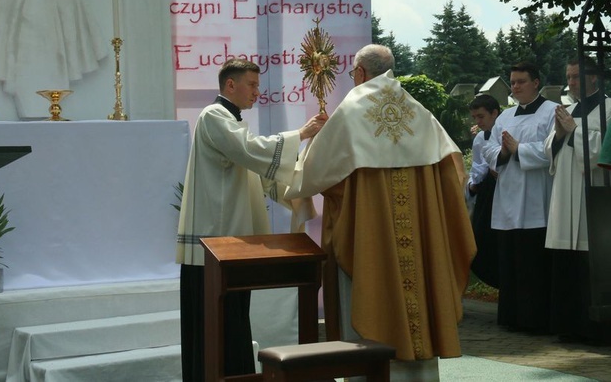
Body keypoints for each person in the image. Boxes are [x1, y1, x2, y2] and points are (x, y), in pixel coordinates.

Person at [285, 44, 475, 381]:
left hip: (369, 234)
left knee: (373, 285)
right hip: (418, 238)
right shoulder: (419, 112)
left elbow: (318, 176)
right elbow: (453, 168)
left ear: (359, 73)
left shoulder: (351, 111)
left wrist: (310, 153)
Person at [175, 58, 327, 382]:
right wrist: (301, 133)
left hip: (229, 246)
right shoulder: (214, 116)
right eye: (252, 85)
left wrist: (298, 188)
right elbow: (248, 151)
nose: (257, 92)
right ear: (231, 85)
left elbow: (258, 175)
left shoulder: (231, 122)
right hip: (215, 246)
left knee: (233, 322)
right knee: (217, 325)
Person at [482, 61, 554, 333]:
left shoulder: (551, 112)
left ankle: (536, 320)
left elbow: (553, 148)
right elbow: (488, 149)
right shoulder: (505, 116)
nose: (515, 87)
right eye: (512, 82)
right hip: (508, 197)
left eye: (521, 81)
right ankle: (512, 317)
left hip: (537, 196)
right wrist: (503, 152)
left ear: (535, 82)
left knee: (533, 262)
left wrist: (519, 149)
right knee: (511, 261)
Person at [544, 58, 611, 343]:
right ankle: (569, 326)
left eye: (575, 77)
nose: (570, 83)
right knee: (566, 262)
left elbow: (601, 153)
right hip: (565, 190)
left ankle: (594, 329)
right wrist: (558, 135)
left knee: (592, 260)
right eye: (568, 77)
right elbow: (549, 148)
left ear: (593, 78)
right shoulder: (567, 110)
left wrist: (573, 130)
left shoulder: (609, 108)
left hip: (593, 191)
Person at [466, 94, 501, 289]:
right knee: (481, 237)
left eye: (481, 117)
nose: (478, 122)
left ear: (494, 113)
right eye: (475, 118)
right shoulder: (480, 137)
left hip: (504, 190)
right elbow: (477, 166)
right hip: (487, 192)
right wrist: (473, 184)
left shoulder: (506, 129)